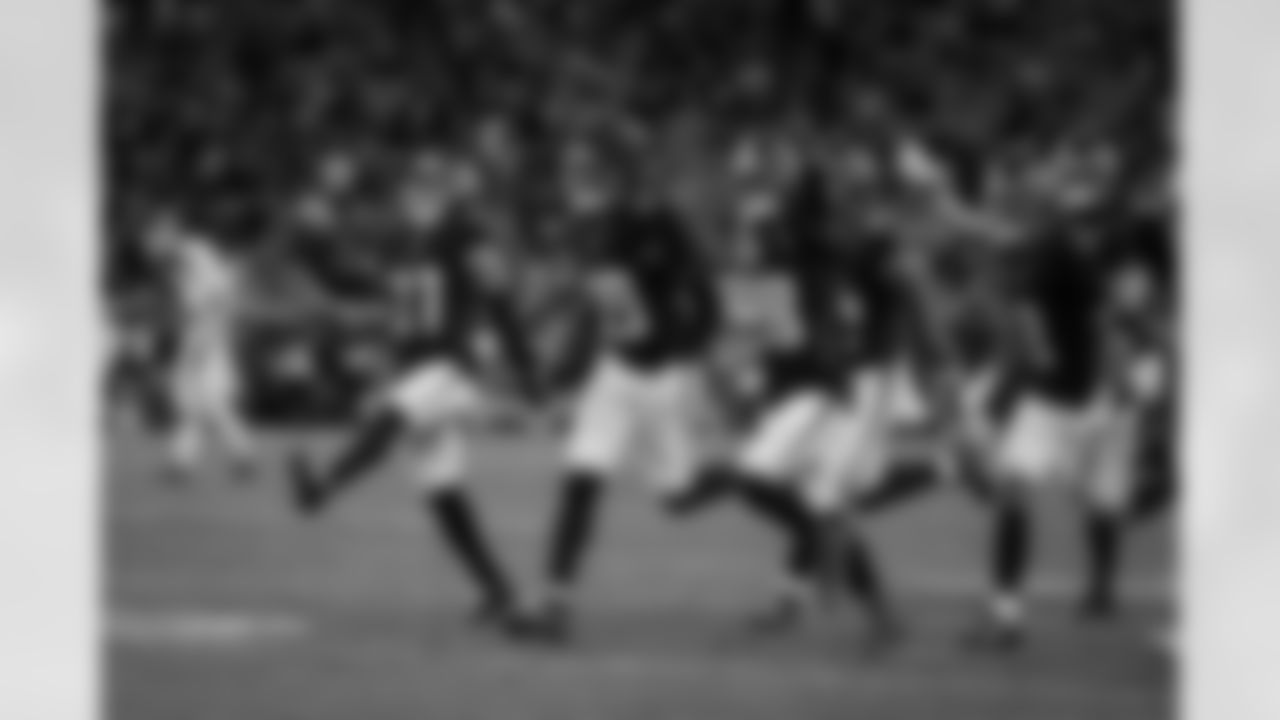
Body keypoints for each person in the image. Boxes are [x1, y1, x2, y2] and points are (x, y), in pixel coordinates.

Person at [289, 154, 535, 626]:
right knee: (443, 492)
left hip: (451, 368)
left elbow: (499, 295)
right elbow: (349, 282)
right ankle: (499, 591)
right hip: (419, 373)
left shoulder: (465, 235)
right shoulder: (406, 246)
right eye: (415, 188)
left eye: (431, 188)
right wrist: (312, 249)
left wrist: (526, 366)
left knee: (390, 416)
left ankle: (321, 488)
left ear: (447, 192)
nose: (420, 197)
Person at [509, 151, 723, 642]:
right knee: (580, 482)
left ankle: (746, 477)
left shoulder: (667, 230)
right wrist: (555, 367)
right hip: (615, 376)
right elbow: (589, 306)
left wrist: (682, 348)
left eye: (591, 178)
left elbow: (710, 307)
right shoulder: (599, 232)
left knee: (680, 500)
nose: (582, 190)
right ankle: (554, 605)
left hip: (661, 380)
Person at [145, 212, 257, 483]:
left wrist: (205, 340)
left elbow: (220, 295)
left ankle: (229, 459)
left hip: (209, 330)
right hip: (200, 330)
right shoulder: (181, 263)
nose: (157, 256)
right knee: (199, 404)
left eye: (158, 249)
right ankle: (194, 462)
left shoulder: (196, 254)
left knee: (200, 401)